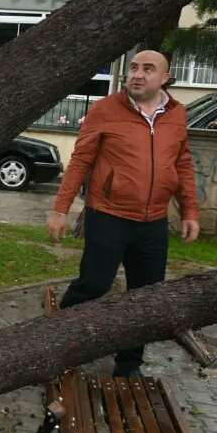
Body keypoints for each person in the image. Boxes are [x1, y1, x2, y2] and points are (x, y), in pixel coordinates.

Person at [48, 49, 200, 377]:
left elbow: (183, 163)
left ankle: (129, 363)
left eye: (148, 69)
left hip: (154, 221)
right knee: (94, 284)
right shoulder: (105, 110)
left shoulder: (177, 115)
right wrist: (61, 208)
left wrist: (189, 210)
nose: (137, 74)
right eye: (133, 68)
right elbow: (81, 161)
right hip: (109, 216)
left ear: (165, 77)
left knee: (146, 296)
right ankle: (56, 345)